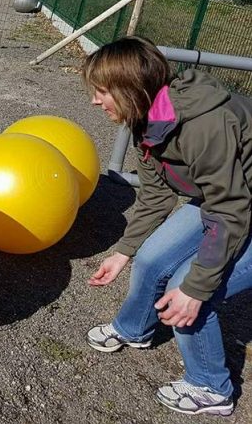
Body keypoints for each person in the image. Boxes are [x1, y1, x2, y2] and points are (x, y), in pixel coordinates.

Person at [82, 36, 252, 417]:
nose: (95, 100)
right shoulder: (145, 120)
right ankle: (133, 329)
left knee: (188, 289)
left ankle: (211, 387)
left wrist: (196, 287)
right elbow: (157, 197)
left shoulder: (205, 125)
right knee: (150, 258)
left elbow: (231, 212)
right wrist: (124, 251)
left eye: (102, 91)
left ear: (131, 88)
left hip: (235, 205)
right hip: (225, 198)